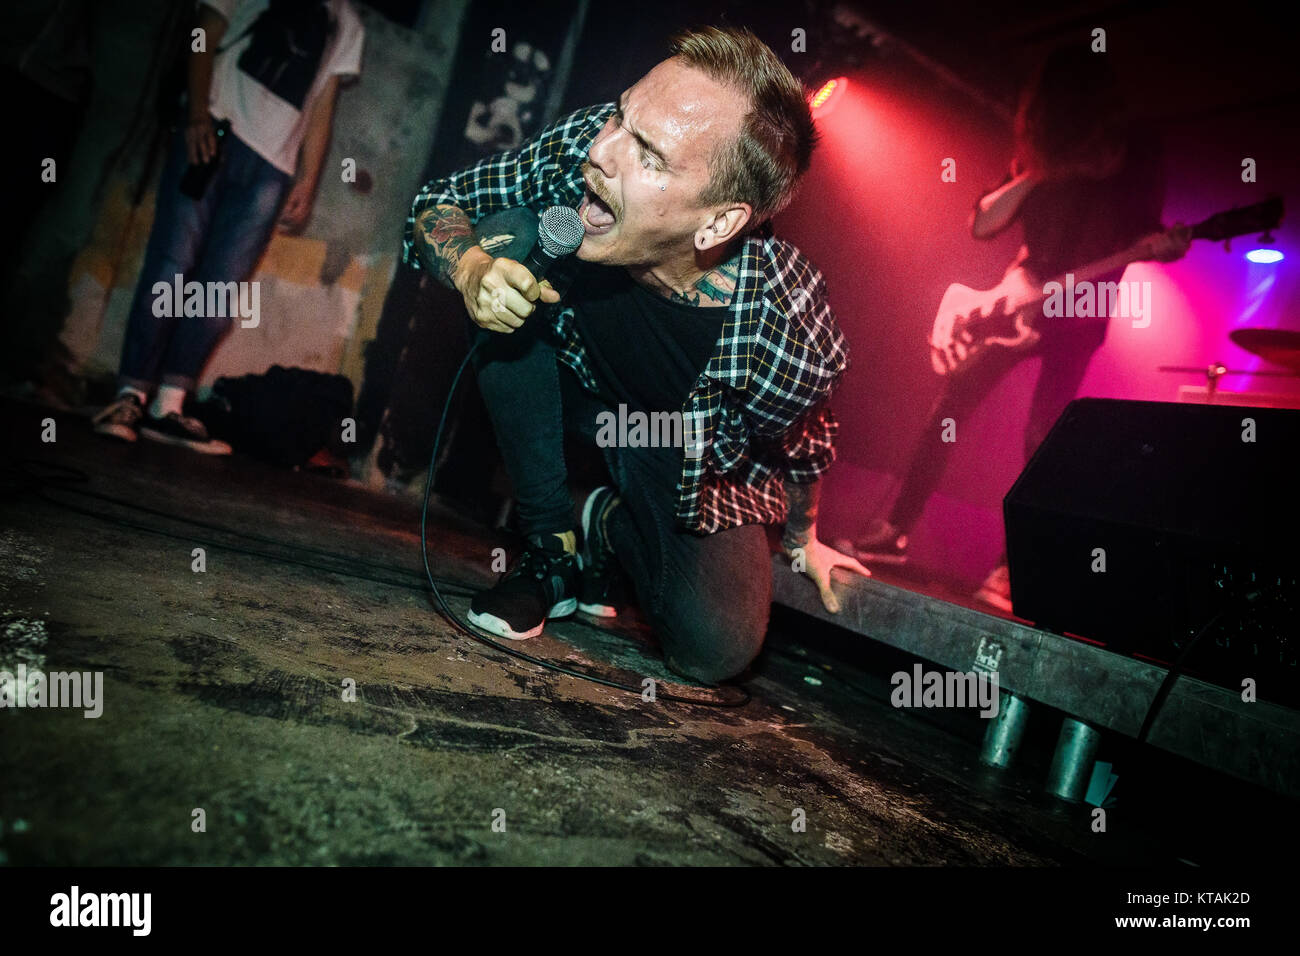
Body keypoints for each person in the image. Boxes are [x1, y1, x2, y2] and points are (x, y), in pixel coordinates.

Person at [404, 26, 870, 683]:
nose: (602, 151)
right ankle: (551, 550)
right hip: (570, 387)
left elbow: (805, 438)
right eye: (621, 114)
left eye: (649, 155)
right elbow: (438, 205)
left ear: (716, 223)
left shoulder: (784, 330)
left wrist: (803, 541)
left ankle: (601, 522)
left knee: (717, 648)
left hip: (679, 449)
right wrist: (473, 267)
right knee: (505, 235)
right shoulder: (589, 147)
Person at [845, 44, 1191, 611]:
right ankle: (893, 530)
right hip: (1020, 296)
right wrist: (1041, 171)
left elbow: (1150, 236)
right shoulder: (1042, 153)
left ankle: (1012, 567)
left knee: (1043, 437)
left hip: (1081, 306)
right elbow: (983, 221)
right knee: (953, 401)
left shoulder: (1135, 150)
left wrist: (1167, 246)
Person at [92, 0, 363, 453]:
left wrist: (308, 179)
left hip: (271, 166)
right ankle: (129, 396)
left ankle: (170, 406)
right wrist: (196, 114)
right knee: (171, 270)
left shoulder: (347, 21)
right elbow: (205, 33)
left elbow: (323, 104)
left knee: (220, 291)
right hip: (213, 128)